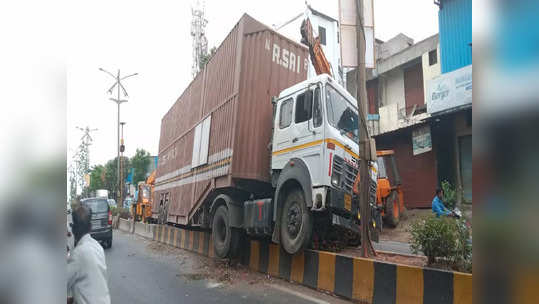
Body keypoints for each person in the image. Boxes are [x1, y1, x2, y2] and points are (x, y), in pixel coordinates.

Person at [67, 205, 111, 304]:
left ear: (73, 229)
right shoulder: (98, 247)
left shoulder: (78, 254)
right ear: (90, 227)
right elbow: (91, 285)